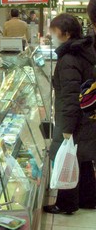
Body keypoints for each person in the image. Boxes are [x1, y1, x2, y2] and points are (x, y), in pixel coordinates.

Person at [44, 13, 96, 215]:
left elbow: (69, 97)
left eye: (54, 32)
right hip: (87, 115)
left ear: (65, 33)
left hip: (75, 119)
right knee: (82, 158)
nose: (52, 36)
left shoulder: (69, 59)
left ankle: (66, 203)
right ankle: (89, 199)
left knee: (67, 158)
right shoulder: (85, 50)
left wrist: (66, 128)